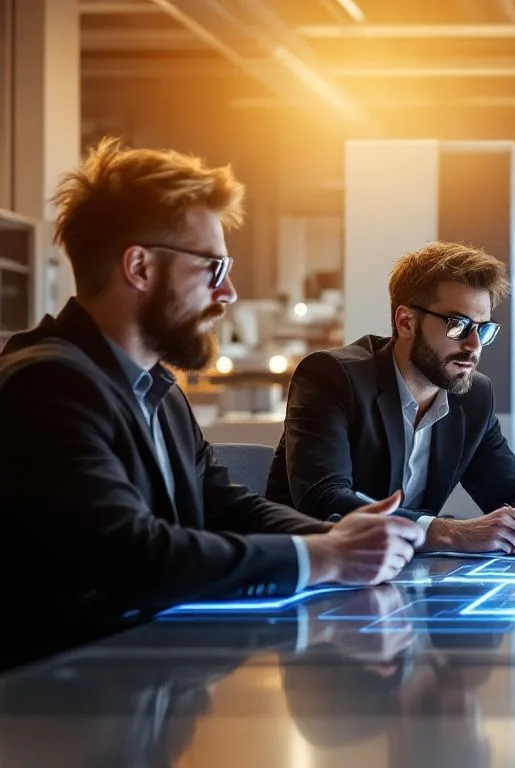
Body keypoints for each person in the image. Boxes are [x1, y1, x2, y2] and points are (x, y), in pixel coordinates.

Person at [0, 138, 423, 669]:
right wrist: (326, 557)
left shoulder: (157, 389)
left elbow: (224, 506)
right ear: (140, 267)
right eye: (213, 269)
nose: (228, 295)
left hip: (136, 684)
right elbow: (136, 557)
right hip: (51, 713)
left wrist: (345, 538)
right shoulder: (45, 386)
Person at [266, 241, 515, 555]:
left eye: (483, 330)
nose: (474, 345)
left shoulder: (473, 396)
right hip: (313, 571)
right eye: (459, 326)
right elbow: (325, 498)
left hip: (405, 577)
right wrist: (448, 532)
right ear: (406, 322)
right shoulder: (333, 376)